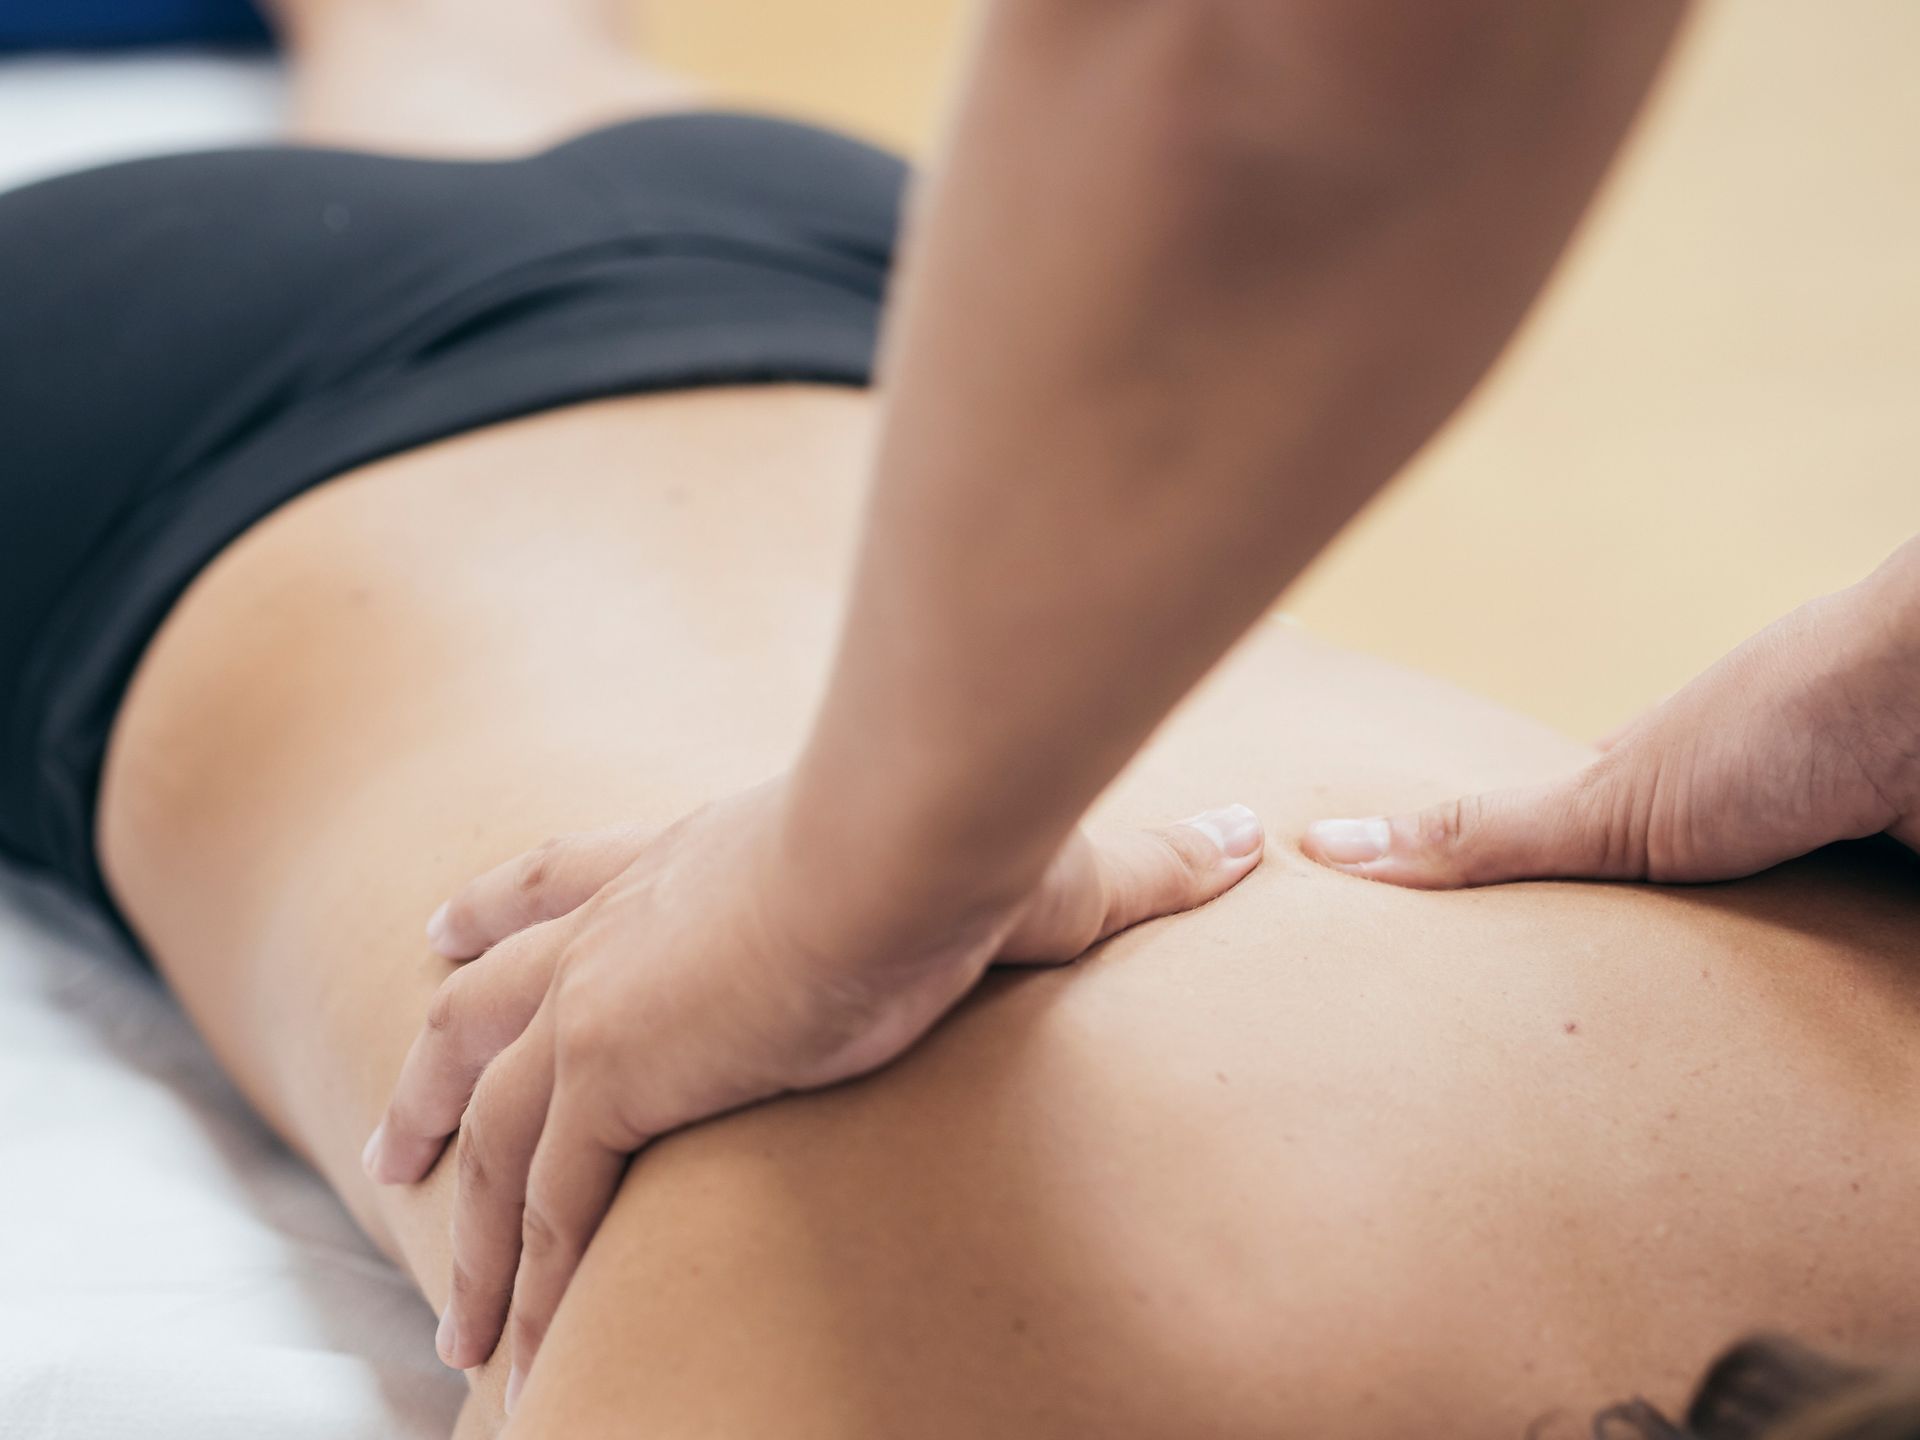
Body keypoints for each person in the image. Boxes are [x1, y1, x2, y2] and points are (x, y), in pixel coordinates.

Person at [2, 2, 1916, 1438]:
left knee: (479, 52)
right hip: (269, 424)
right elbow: (1297, 57)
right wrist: (857, 886)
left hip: (933, 330)